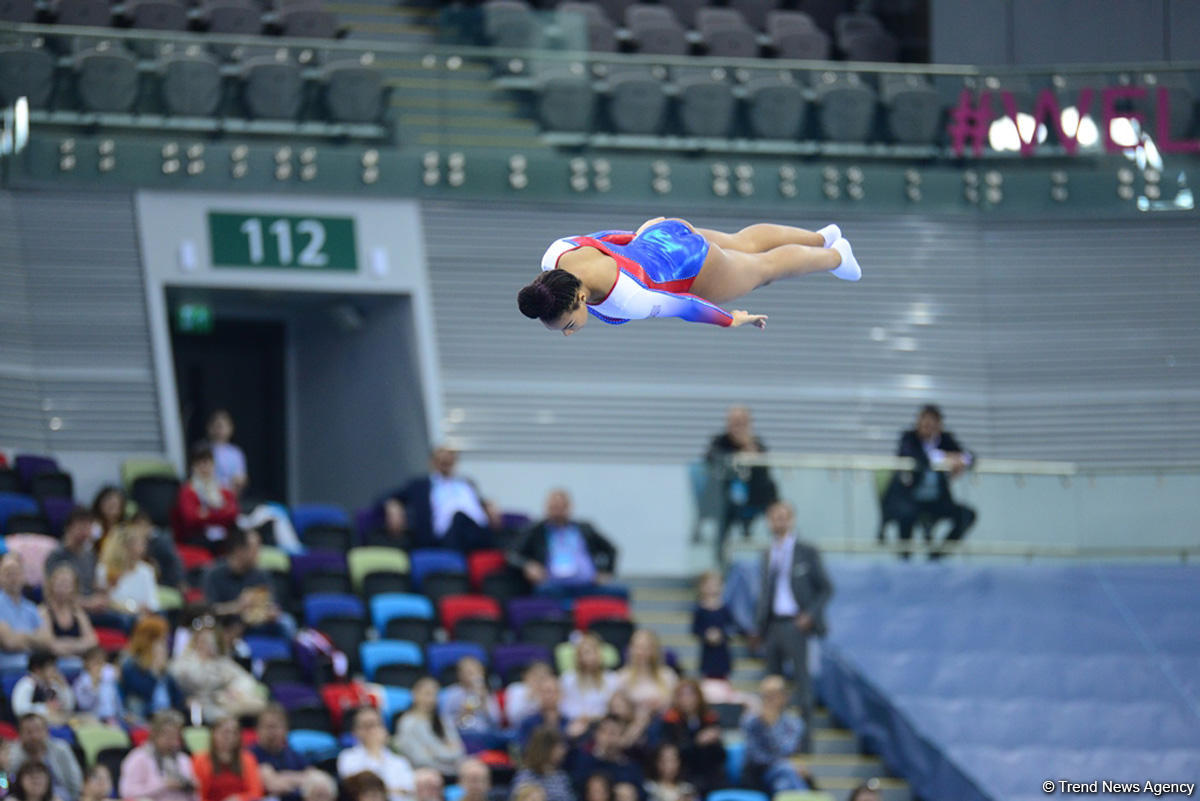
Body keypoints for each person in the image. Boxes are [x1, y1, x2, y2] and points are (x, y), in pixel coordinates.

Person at [519, 218, 860, 334]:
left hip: (692, 267)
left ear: (580, 299)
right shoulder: (555, 255)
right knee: (744, 241)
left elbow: (685, 305)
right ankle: (823, 236)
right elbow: (605, 240)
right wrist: (641, 234)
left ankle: (835, 255)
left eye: (567, 326)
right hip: (662, 233)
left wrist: (730, 320)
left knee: (764, 269)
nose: (568, 333)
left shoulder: (628, 299)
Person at [751, 501, 832, 752]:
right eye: (775, 517)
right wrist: (759, 626)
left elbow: (826, 588)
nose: (780, 521)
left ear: (792, 519)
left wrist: (810, 615)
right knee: (771, 684)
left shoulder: (806, 551)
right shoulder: (768, 553)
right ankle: (771, 739)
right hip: (773, 624)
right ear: (768, 520)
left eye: (784, 517)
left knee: (801, 683)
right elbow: (766, 593)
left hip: (797, 623)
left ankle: (805, 743)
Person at [881, 405, 977, 559]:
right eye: (924, 423)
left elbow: (970, 457)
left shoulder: (945, 439)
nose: (927, 428)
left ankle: (938, 555)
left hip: (937, 501)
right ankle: (904, 558)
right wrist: (945, 457)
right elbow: (912, 455)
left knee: (967, 515)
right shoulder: (909, 438)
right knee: (905, 515)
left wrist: (961, 459)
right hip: (911, 499)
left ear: (939, 426)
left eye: (931, 424)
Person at [380, 446, 500, 553]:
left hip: (477, 532)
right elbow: (386, 497)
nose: (446, 462)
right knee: (458, 516)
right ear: (432, 462)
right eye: (442, 460)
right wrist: (393, 505)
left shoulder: (466, 484)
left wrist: (489, 505)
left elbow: (476, 504)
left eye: (449, 460)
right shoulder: (420, 485)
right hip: (445, 537)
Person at [506, 491, 619, 599]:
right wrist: (528, 565)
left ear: (569, 507)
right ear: (546, 507)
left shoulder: (585, 528)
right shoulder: (535, 530)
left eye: (561, 507)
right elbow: (512, 554)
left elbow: (612, 549)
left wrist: (606, 572)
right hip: (553, 585)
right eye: (554, 507)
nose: (558, 511)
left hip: (588, 584)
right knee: (543, 593)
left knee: (619, 592)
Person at [705, 406, 778, 560]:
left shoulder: (756, 443)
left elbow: (765, 470)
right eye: (734, 422)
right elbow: (712, 461)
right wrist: (739, 454)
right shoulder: (719, 441)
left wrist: (750, 450)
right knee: (725, 507)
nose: (738, 426)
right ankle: (719, 557)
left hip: (755, 496)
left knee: (774, 497)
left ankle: (781, 550)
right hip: (726, 498)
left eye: (742, 422)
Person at [170, 616, 267, 722]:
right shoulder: (186, 661)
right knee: (223, 716)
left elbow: (244, 678)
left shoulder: (221, 661)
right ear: (197, 641)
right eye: (205, 640)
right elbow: (178, 678)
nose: (209, 644)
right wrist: (203, 663)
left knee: (260, 704)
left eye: (212, 640)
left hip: (224, 700)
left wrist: (235, 690)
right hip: (201, 703)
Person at [740, 676, 812, 793]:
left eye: (774, 694)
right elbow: (754, 756)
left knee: (783, 785)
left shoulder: (794, 723)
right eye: (766, 695)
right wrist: (769, 726)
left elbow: (787, 749)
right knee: (786, 770)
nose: (769, 699)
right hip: (757, 774)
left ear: (785, 697)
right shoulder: (750, 721)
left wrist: (772, 726)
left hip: (783, 774)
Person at [201, 528, 282, 630]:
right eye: (255, 549)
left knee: (286, 622)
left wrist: (272, 611)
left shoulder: (261, 574)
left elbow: (273, 604)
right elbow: (210, 610)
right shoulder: (213, 575)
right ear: (239, 550)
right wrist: (238, 606)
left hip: (259, 625)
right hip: (226, 625)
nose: (259, 554)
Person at [657, 680, 724, 796]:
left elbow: (721, 755)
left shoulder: (710, 719)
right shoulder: (670, 721)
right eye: (682, 695)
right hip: (684, 771)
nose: (687, 699)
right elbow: (674, 751)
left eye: (691, 694)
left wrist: (715, 741)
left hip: (710, 770)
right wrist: (698, 741)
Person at [337, 707, 416, 801]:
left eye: (377, 725)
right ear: (355, 731)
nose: (373, 730)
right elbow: (359, 789)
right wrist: (374, 750)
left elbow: (409, 792)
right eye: (367, 726)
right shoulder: (347, 757)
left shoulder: (399, 761)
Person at [119, 710, 199, 801]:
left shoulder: (183, 760)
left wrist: (192, 787)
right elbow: (126, 792)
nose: (172, 742)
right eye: (167, 736)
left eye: (175, 737)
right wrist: (163, 784)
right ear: (154, 734)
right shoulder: (139, 758)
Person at [250, 704, 324, 801]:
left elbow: (317, 778)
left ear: (286, 730)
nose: (271, 732)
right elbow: (274, 786)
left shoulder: (292, 753)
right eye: (267, 727)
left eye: (276, 727)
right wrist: (301, 780)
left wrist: (284, 776)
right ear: (257, 729)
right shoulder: (251, 755)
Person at [394, 678, 466, 776]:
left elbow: (459, 751)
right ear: (414, 695)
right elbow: (420, 759)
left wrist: (433, 752)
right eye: (427, 694)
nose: (431, 699)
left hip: (452, 771)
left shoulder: (443, 721)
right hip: (424, 774)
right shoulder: (407, 723)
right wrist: (446, 750)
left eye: (435, 695)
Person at [120, 615, 186, 721]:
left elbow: (178, 699)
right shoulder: (131, 665)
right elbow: (142, 691)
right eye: (161, 642)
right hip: (143, 715)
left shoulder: (165, 672)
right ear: (148, 643)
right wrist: (155, 672)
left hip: (166, 718)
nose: (165, 647)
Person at [175, 444, 239, 551]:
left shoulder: (224, 491)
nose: (204, 467)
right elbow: (190, 519)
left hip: (223, 539)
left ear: (213, 464)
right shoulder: (187, 491)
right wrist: (220, 513)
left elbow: (233, 514)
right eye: (199, 463)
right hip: (197, 540)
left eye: (207, 463)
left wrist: (206, 514)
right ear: (193, 466)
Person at [8, 713, 83, 801]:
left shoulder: (61, 749)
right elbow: (5, 784)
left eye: (38, 730)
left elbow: (75, 780)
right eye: (29, 732)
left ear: (47, 731)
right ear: (20, 734)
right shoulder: (11, 753)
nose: (34, 736)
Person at [43, 509, 106, 608]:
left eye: (88, 526)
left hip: (92, 606)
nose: (85, 531)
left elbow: (94, 585)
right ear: (69, 527)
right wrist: (87, 603)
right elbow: (51, 593)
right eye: (81, 526)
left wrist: (101, 597)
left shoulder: (90, 555)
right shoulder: (57, 555)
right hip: (69, 608)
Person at [439, 656, 504, 752]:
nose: (473, 675)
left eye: (476, 671)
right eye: (469, 672)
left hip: (486, 734)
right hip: (462, 735)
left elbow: (496, 721)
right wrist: (463, 713)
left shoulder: (486, 693)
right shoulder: (451, 694)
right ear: (460, 674)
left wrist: (484, 702)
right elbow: (444, 723)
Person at [192, 716, 264, 801]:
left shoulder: (247, 759)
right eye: (225, 732)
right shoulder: (200, 760)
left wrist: (239, 798)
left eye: (234, 733)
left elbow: (256, 792)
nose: (230, 737)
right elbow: (198, 794)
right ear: (214, 734)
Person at [0, 554, 51, 672]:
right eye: (8, 573)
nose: (13, 578)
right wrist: (34, 639)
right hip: (7, 666)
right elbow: (10, 642)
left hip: (35, 664)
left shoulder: (31, 607)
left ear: (23, 576)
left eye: (16, 573)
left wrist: (21, 637)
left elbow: (47, 641)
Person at [565, 715, 642, 793]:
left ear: (621, 738)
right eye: (603, 732)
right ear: (596, 734)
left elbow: (641, 794)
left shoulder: (630, 767)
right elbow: (575, 787)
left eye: (612, 733)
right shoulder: (583, 760)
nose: (606, 737)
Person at [96, 523, 160, 616]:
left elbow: (152, 603)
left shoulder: (146, 570)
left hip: (140, 615)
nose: (144, 548)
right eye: (140, 543)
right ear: (125, 546)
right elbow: (104, 601)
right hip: (116, 615)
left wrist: (140, 609)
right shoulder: (104, 569)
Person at [37, 564, 99, 661]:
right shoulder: (44, 611)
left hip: (78, 661)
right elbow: (49, 644)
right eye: (60, 584)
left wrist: (66, 645)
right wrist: (78, 645)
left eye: (67, 585)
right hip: (53, 663)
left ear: (74, 588)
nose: (63, 589)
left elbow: (92, 641)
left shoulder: (77, 612)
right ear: (52, 585)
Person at [560, 634, 620, 726]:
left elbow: (614, 707)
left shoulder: (611, 678)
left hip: (602, 723)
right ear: (578, 656)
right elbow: (563, 705)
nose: (591, 657)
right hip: (573, 722)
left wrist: (595, 717)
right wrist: (580, 717)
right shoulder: (567, 678)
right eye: (586, 653)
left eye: (594, 652)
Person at [615, 630, 676, 714]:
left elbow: (674, 703)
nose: (641, 652)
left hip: (660, 721)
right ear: (630, 649)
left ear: (654, 650)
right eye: (637, 647)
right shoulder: (622, 676)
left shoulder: (668, 675)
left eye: (646, 648)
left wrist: (659, 704)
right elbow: (618, 707)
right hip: (632, 720)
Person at [690, 572, 733, 682]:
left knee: (723, 679)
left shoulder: (725, 608)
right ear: (702, 587)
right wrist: (706, 635)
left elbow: (731, 627)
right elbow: (695, 629)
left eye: (715, 584)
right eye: (708, 585)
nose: (712, 588)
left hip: (722, 651)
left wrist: (721, 634)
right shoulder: (700, 609)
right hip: (707, 651)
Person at [11, 650, 75, 725]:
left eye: (54, 666)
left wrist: (64, 686)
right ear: (37, 669)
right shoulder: (26, 684)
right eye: (50, 666)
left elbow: (69, 707)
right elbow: (20, 710)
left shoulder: (53, 684)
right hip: (36, 725)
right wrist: (45, 709)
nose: (54, 670)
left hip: (56, 722)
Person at [511, 728, 575, 801]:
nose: (563, 751)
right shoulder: (525, 777)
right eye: (559, 747)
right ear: (547, 748)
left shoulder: (561, 777)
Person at [71, 646, 124, 724]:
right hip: (92, 718)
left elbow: (116, 674)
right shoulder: (80, 682)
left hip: (113, 716)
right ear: (86, 663)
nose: (99, 666)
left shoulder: (106, 676)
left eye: (101, 662)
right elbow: (83, 706)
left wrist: (122, 713)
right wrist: (94, 686)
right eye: (95, 662)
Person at [207, 410, 249, 498]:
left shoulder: (236, 453)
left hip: (229, 497)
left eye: (222, 426)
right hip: (207, 495)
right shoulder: (202, 450)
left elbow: (240, 479)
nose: (219, 430)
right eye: (216, 426)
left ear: (230, 428)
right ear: (209, 428)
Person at [502, 661, 553, 731]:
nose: (539, 680)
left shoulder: (550, 692)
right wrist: (529, 696)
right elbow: (513, 718)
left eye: (543, 677)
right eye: (536, 676)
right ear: (526, 676)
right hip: (518, 730)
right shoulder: (516, 688)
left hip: (541, 729)